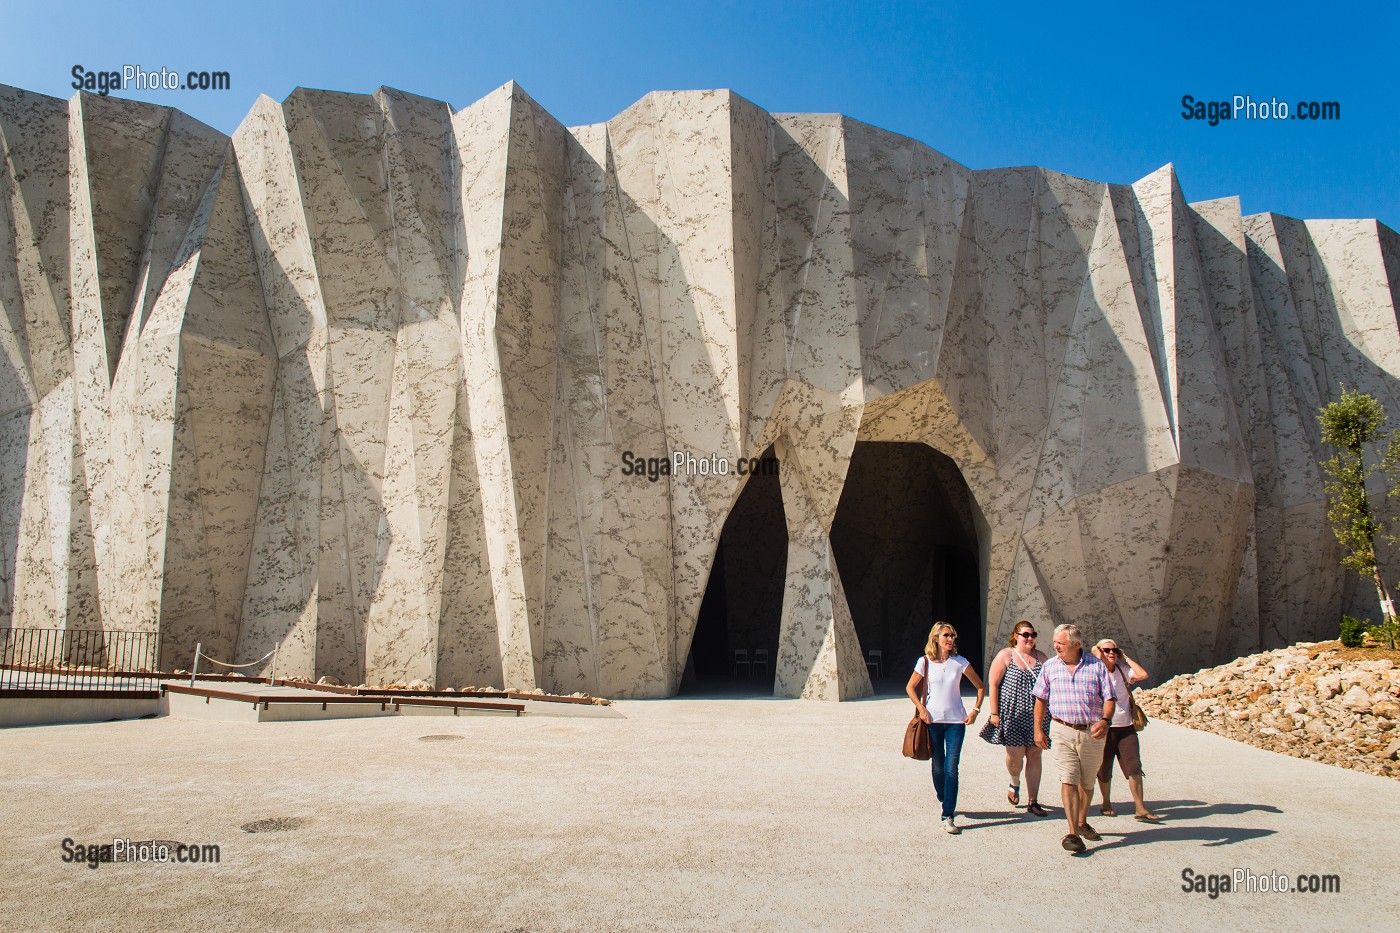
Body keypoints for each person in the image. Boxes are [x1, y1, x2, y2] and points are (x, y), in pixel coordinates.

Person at [1031, 623, 1116, 854]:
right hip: (1061, 729)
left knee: (1087, 783)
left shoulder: (1096, 666)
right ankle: (1072, 833)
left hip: (1092, 732)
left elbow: (1109, 698)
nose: (1056, 646)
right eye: (1055, 642)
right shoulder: (1049, 666)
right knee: (1069, 778)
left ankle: (1081, 821)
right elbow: (1040, 699)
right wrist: (1038, 729)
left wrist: (1105, 720)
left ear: (1076, 644)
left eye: (1061, 643)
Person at [906, 622, 985, 835]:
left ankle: (947, 813)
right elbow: (910, 687)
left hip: (956, 722)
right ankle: (944, 796)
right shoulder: (924, 662)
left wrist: (975, 710)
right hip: (932, 721)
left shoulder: (960, 662)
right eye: (947, 635)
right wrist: (921, 708)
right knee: (938, 767)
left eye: (953, 636)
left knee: (952, 767)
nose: (951, 639)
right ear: (936, 638)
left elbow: (980, 686)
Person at [979, 620, 1050, 816]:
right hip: (1012, 715)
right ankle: (1014, 781)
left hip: (1037, 716)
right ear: (1016, 636)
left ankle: (1033, 801)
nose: (1030, 638)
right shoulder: (1006, 655)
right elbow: (993, 684)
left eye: (1033, 635)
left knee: (1035, 755)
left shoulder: (1042, 658)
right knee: (1015, 758)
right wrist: (995, 713)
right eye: (1026, 635)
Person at [1090, 639, 1162, 823]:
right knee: (1104, 768)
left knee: (1134, 767)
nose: (1111, 653)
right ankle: (1106, 803)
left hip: (1126, 726)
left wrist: (1125, 657)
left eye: (1114, 650)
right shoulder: (1095, 671)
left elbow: (1143, 674)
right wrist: (1099, 656)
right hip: (1104, 727)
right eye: (1107, 650)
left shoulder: (1122, 670)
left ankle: (1140, 807)